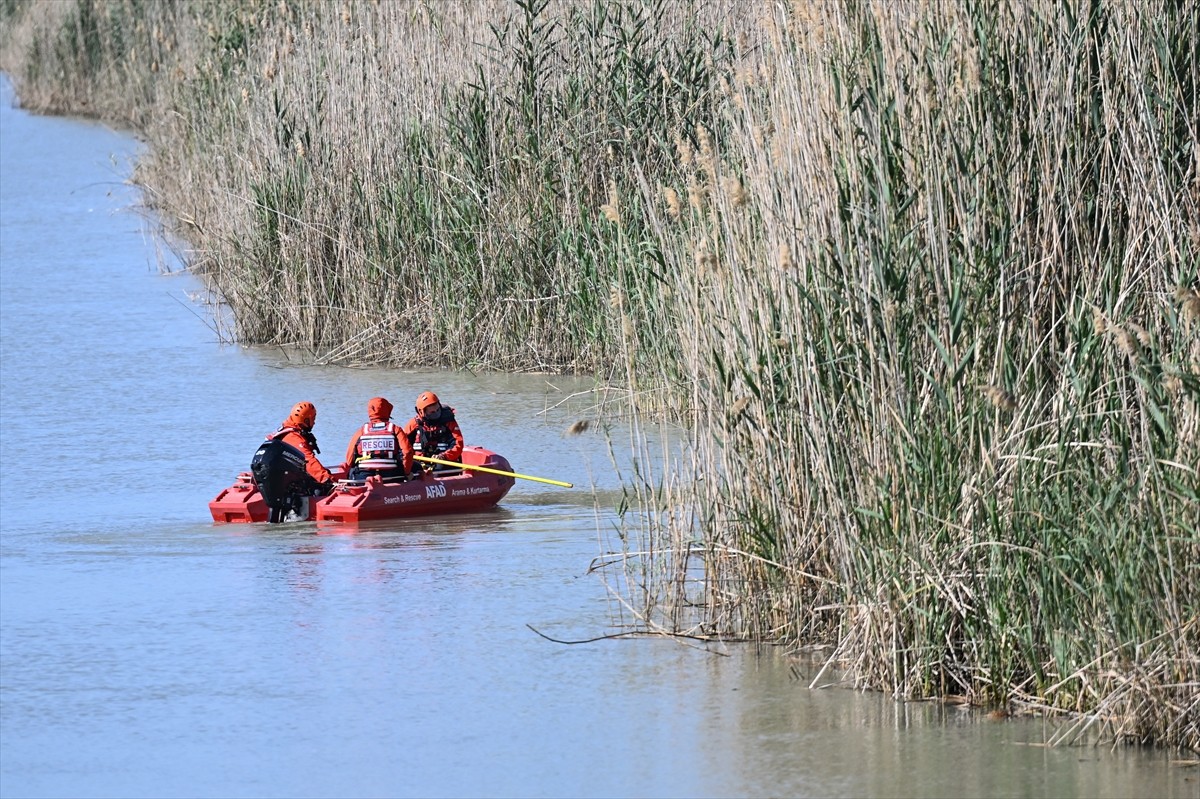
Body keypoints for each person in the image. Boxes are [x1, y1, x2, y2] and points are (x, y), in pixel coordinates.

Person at [250, 401, 334, 522]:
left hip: (275, 478)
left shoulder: (282, 431)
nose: (314, 422)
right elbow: (308, 460)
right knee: (319, 488)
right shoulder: (293, 437)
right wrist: (327, 479)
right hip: (286, 483)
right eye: (313, 419)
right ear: (306, 420)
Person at [342, 396, 413, 481]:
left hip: (363, 477)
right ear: (387, 411)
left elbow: (349, 458)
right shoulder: (395, 429)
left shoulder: (361, 431)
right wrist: (407, 473)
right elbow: (407, 452)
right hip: (391, 476)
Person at [402, 390, 464, 473]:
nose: (436, 414)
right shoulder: (413, 424)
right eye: (432, 412)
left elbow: (458, 444)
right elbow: (403, 446)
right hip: (420, 463)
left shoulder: (448, 422)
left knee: (440, 467)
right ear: (421, 412)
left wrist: (443, 456)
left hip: (445, 461)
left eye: (438, 410)